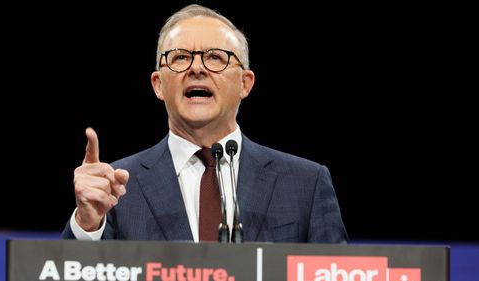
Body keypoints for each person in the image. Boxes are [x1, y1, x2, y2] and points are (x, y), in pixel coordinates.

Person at [61, 4, 348, 243]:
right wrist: (87, 225)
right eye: (181, 57)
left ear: (245, 84)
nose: (196, 68)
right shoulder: (115, 189)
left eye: (215, 58)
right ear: (158, 85)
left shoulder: (306, 184)